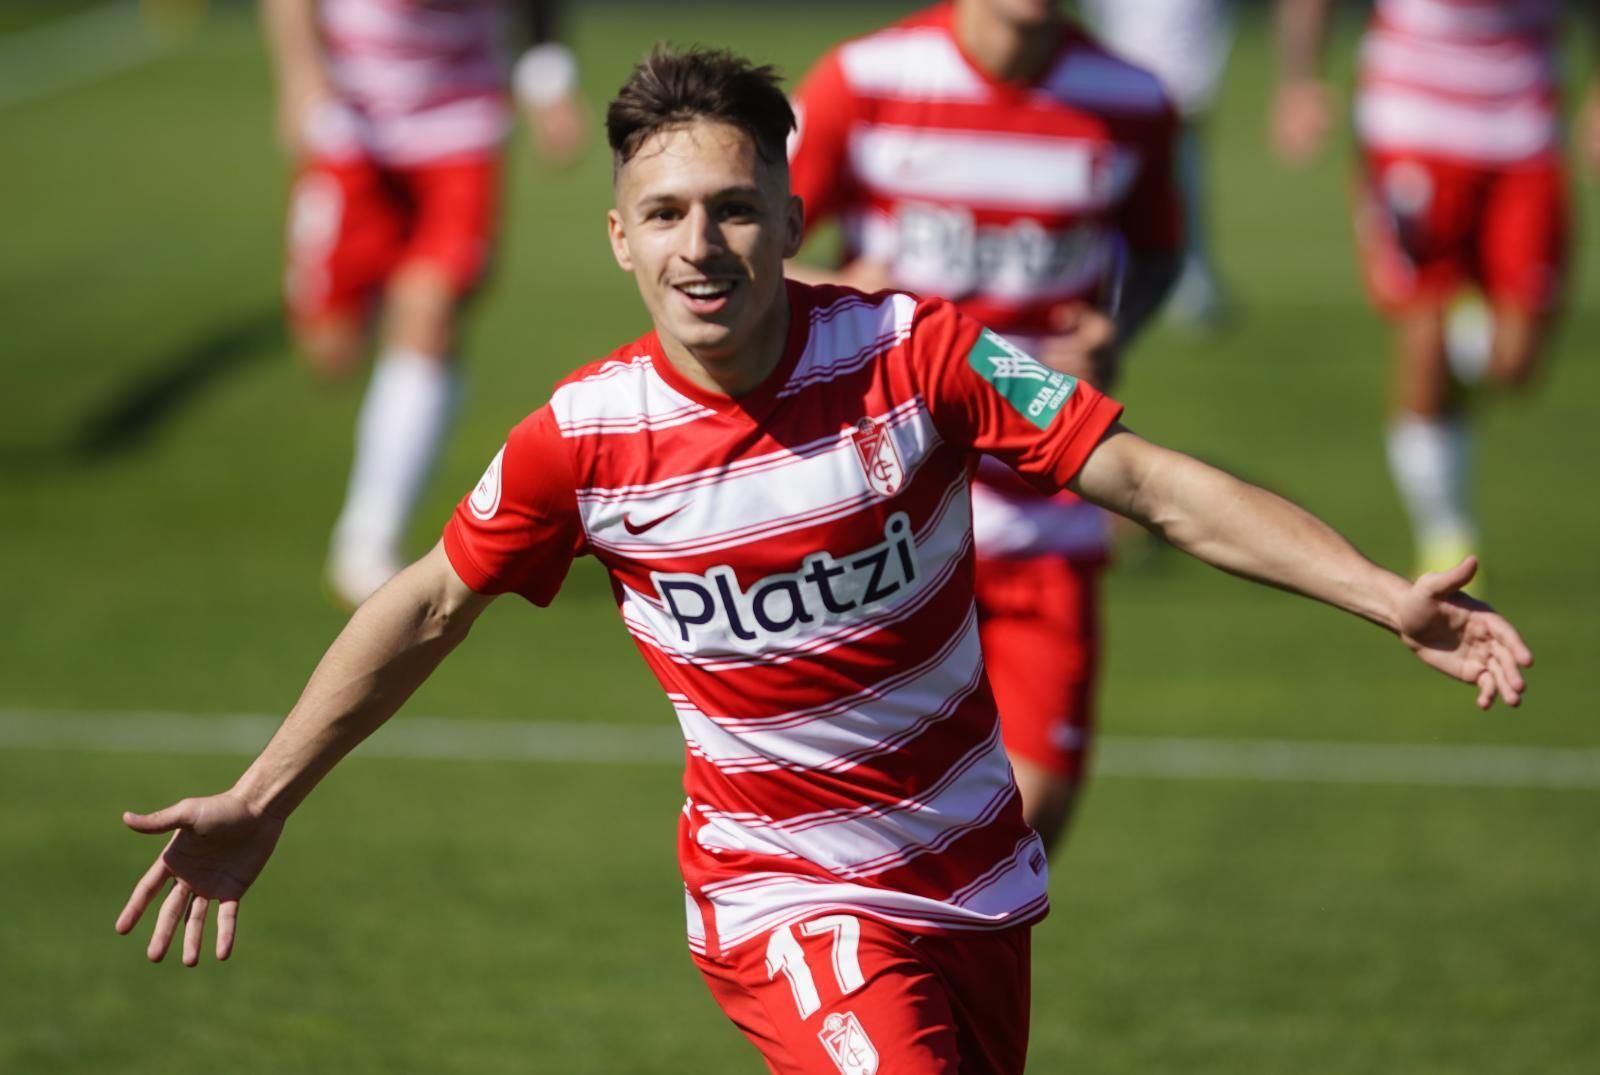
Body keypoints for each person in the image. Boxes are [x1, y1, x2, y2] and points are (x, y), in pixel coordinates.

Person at [115, 46, 1531, 1075]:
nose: (701, 245)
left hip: (976, 877)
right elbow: (427, 602)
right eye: (665, 215)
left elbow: (1150, 480)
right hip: (790, 899)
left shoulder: (923, 356)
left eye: (733, 207)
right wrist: (263, 791)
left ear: (795, 220)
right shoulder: (582, 438)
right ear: (619, 239)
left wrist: (1378, 592)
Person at [786, 0, 1183, 850]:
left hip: (1049, 507)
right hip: (887, 515)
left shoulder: (1132, 98)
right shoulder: (866, 79)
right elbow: (751, 256)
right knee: (866, 820)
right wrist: (837, 288)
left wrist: (1117, 328)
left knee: (1030, 819)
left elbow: (1158, 252)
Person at [263, 0, 585, 607]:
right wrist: (300, 73)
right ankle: (392, 317)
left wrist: (548, 80)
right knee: (329, 351)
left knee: (430, 312)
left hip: (460, 119)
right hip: (352, 120)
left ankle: (368, 538)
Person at [1271, 0, 1599, 587]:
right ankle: (1445, 534)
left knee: (1516, 363)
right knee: (1422, 327)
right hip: (1411, 121)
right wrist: (1300, 80)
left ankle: (1468, 330)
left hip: (1523, 127)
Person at [1081, 0, 1236, 326]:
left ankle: (1185, 273)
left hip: (1158, 83)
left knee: (1171, 166)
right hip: (1122, 81)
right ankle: (1171, 275)